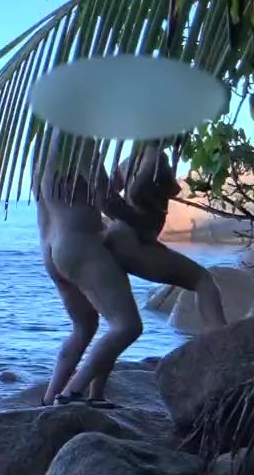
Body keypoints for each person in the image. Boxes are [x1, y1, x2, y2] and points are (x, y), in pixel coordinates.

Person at [34, 131, 143, 408]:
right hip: (79, 244)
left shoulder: (43, 141)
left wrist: (117, 178)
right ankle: (72, 394)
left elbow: (73, 191)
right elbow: (105, 199)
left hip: (51, 247)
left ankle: (50, 398)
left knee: (84, 327)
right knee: (127, 326)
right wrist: (142, 223)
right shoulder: (77, 134)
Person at [102, 143, 228, 332]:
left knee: (122, 324)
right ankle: (219, 338)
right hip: (135, 242)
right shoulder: (156, 156)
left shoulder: (132, 159)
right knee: (204, 281)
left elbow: (109, 193)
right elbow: (139, 191)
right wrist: (143, 228)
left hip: (119, 236)